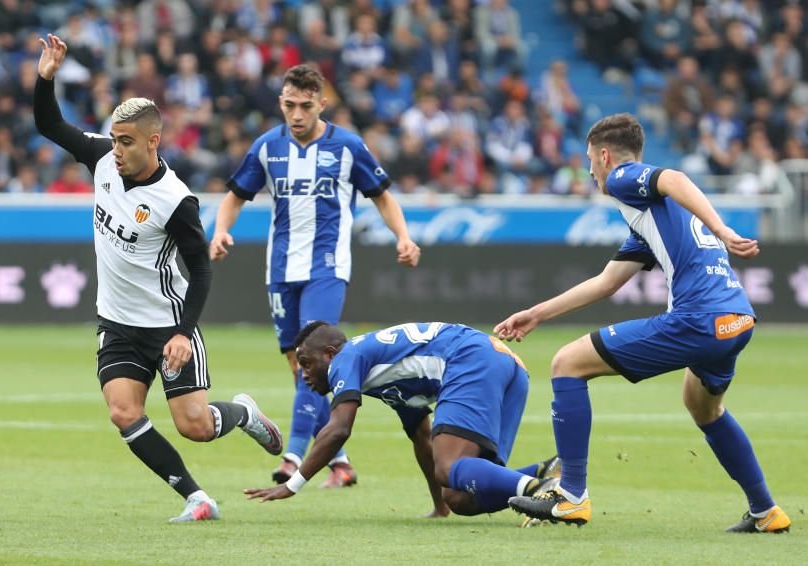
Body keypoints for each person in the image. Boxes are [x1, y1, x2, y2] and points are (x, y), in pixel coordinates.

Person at [496, 113, 791, 533]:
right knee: (702, 405)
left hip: (698, 320)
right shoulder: (651, 219)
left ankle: (571, 495)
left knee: (566, 363)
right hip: (736, 321)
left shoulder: (622, 178)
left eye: (589, 160)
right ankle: (766, 511)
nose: (589, 170)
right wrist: (537, 314)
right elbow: (606, 282)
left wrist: (722, 228)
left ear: (603, 155)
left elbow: (673, 177)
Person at [33, 34, 283, 523]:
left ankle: (245, 414)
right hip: (117, 322)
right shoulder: (102, 157)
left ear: (154, 141)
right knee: (123, 412)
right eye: (114, 139)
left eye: (126, 141)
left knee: (196, 426)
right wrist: (46, 77)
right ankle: (197, 498)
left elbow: (201, 267)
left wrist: (183, 333)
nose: (117, 149)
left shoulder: (175, 200)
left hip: (166, 325)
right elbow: (49, 123)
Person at [211, 64, 421, 488]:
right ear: (281, 104)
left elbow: (382, 197)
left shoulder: (347, 147)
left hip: (327, 267)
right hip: (280, 268)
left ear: (322, 104)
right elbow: (235, 196)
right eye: (290, 105)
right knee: (300, 366)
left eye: (306, 106)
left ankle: (292, 455)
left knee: (316, 354)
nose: (297, 114)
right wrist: (220, 230)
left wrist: (403, 237)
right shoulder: (268, 147)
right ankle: (340, 462)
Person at [244, 321, 560, 517]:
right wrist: (440, 506)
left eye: (306, 362)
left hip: (472, 358)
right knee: (462, 496)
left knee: (449, 466)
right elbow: (422, 438)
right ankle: (548, 472)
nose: (304, 373)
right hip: (507, 365)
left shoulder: (346, 358)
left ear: (329, 353)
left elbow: (339, 429)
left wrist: (294, 484)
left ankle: (540, 490)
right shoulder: (387, 372)